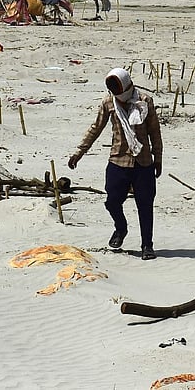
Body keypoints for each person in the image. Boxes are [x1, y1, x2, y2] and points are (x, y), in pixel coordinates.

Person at [68, 68, 163, 260]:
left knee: (145, 205)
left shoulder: (144, 101)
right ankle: (121, 228)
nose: (119, 97)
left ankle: (147, 245)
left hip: (143, 161)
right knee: (112, 201)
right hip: (118, 159)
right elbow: (95, 128)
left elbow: (154, 131)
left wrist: (158, 157)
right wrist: (79, 152)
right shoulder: (108, 102)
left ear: (128, 86)